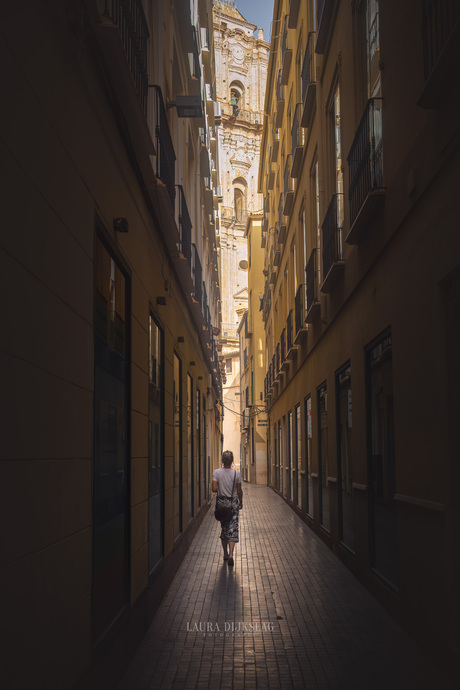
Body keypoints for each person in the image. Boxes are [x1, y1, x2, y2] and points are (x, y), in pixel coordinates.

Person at [212, 450, 243, 566]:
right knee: (233, 528)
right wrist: (241, 502)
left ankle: (225, 554)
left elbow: (214, 489)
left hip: (221, 504)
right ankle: (231, 554)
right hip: (233, 504)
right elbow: (239, 490)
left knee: (224, 528)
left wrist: (220, 486)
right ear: (232, 461)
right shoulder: (237, 474)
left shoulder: (216, 472)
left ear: (222, 460)